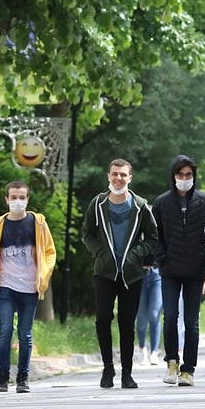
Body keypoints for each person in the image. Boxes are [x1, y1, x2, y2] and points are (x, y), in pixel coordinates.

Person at [82, 158, 158, 389]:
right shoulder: (97, 204)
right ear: (108, 176)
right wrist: (100, 253)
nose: (118, 178)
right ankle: (108, 369)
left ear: (130, 178)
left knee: (127, 323)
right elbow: (87, 234)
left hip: (132, 274)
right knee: (103, 318)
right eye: (115, 174)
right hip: (104, 272)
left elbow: (153, 238)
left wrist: (135, 256)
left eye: (123, 174)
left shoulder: (140, 206)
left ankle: (127, 373)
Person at [0, 181, 56, 394]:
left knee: (25, 334)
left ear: (28, 199)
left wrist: (44, 275)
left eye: (21, 197)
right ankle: (2, 378)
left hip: (30, 287)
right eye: (13, 197)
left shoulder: (38, 223)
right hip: (5, 286)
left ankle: (23, 378)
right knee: (5, 331)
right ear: (6, 199)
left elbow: (50, 252)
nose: (17, 201)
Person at [152, 154, 205, 387]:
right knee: (170, 318)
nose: (184, 179)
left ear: (194, 177)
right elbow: (155, 235)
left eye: (188, 175)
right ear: (173, 177)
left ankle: (188, 369)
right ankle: (172, 362)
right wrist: (162, 259)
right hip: (170, 270)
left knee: (191, 321)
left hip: (196, 270)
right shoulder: (162, 203)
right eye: (180, 175)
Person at [135, 264, 163, 366]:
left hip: (157, 273)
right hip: (139, 274)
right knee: (141, 318)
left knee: (154, 314)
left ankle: (154, 352)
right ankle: (142, 349)